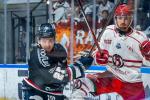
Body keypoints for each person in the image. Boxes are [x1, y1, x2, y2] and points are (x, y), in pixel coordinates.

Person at [69, 4, 150, 100]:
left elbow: (147, 64)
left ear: (131, 19)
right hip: (111, 78)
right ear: (115, 19)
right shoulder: (108, 31)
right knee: (79, 85)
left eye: (126, 18)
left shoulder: (140, 38)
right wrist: (98, 57)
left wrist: (148, 56)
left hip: (132, 85)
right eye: (120, 18)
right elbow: (98, 55)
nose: (123, 21)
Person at [22, 23, 93, 100]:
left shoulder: (60, 50)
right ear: (38, 40)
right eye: (44, 40)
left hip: (56, 92)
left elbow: (64, 70)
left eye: (50, 40)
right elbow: (57, 76)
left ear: (54, 39)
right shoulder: (36, 54)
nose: (47, 44)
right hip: (36, 91)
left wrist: (82, 62)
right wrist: (81, 65)